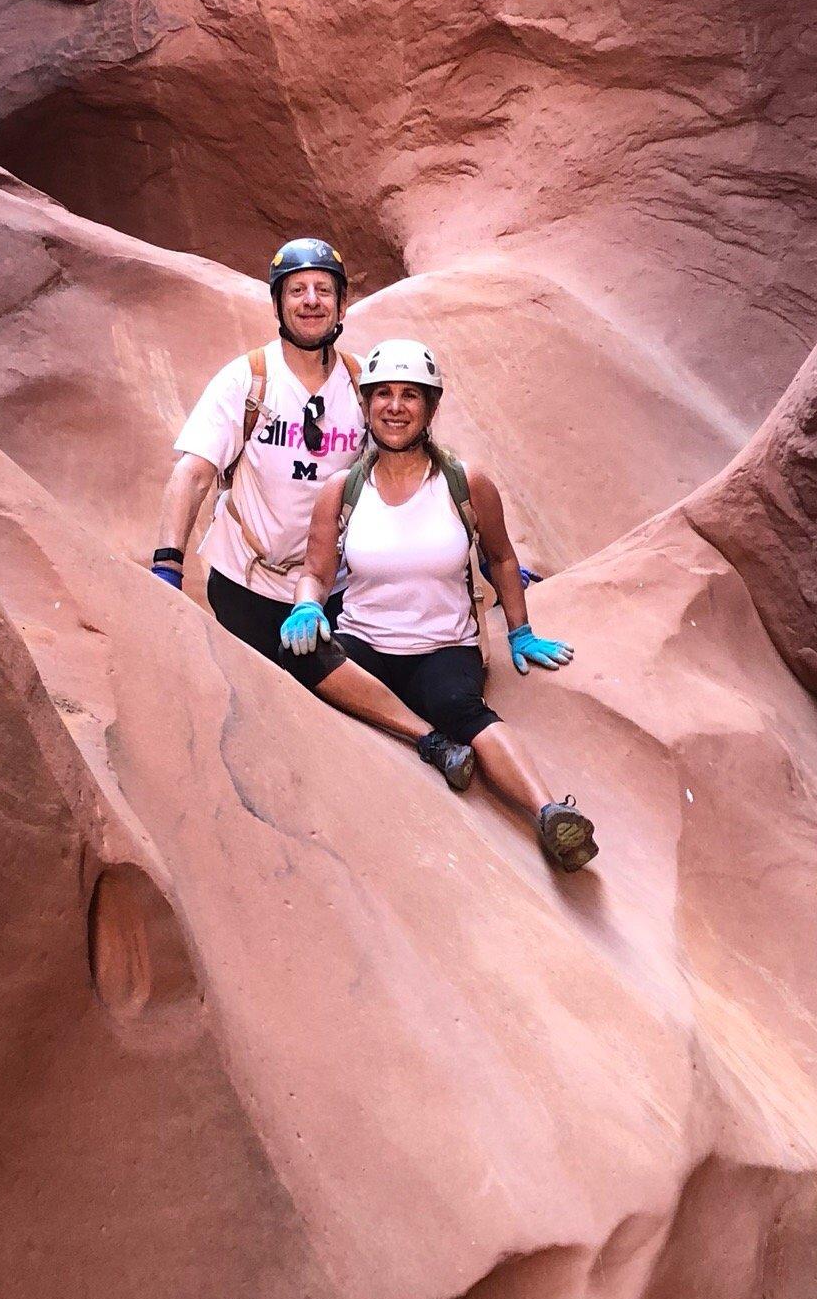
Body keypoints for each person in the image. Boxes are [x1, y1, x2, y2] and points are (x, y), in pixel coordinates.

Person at [151, 240, 481, 790]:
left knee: (341, 728)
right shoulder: (246, 379)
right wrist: (167, 563)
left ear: (342, 305)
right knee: (268, 727)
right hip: (247, 583)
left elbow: (417, 467)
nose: (311, 301)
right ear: (278, 303)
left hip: (332, 590)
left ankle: (425, 749)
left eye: (323, 290)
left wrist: (488, 558)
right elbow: (194, 472)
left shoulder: (360, 384)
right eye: (297, 290)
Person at [281, 339, 599, 874]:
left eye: (410, 395)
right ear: (366, 405)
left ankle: (549, 815)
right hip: (364, 643)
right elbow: (315, 571)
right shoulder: (342, 488)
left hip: (444, 647)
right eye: (382, 394)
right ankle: (429, 741)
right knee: (300, 653)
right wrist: (307, 606)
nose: (395, 406)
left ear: (431, 406)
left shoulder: (463, 482)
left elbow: (500, 558)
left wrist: (520, 632)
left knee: (465, 712)